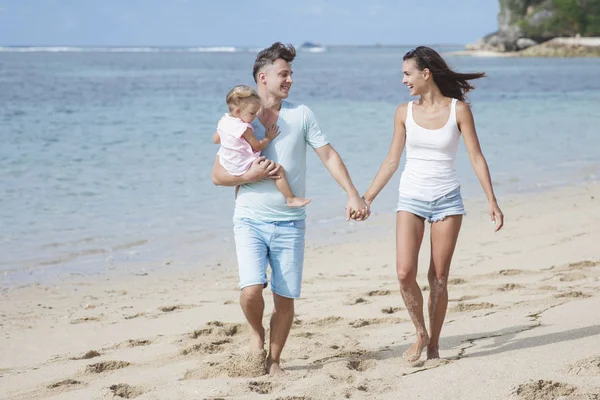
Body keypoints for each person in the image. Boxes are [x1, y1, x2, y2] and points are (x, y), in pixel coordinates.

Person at [211, 42, 367, 375]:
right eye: (284, 74)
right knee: (251, 291)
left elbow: (328, 155)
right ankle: (256, 334)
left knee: (284, 297)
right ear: (262, 77)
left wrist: (353, 193)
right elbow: (217, 175)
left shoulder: (302, 115)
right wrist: (249, 174)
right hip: (249, 218)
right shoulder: (240, 121)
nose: (290, 80)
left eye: (291, 74)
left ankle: (275, 360)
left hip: (290, 223)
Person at [360, 46, 504, 362]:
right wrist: (366, 198)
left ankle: (434, 345)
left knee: (438, 278)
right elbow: (391, 160)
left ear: (426, 74)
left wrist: (491, 200)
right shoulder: (403, 112)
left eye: (407, 74)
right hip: (411, 198)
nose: (403, 81)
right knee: (403, 272)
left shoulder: (459, 111)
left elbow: (476, 157)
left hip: (447, 201)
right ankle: (420, 333)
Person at [212, 85, 310, 207]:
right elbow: (257, 146)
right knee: (277, 170)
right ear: (238, 111)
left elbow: (216, 139)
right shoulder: (244, 128)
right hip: (243, 164)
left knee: (240, 184)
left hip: (228, 163)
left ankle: (239, 201)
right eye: (252, 113)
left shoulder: (224, 121)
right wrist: (268, 137)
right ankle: (290, 198)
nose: (255, 117)